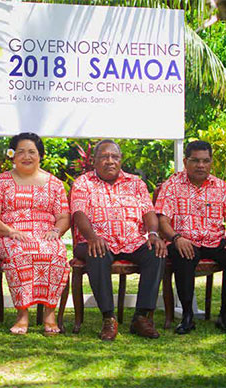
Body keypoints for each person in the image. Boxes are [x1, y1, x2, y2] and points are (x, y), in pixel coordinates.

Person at [70, 140, 166, 341]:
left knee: (156, 252)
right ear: (94, 161)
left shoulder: (136, 183)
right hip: (96, 240)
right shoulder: (83, 183)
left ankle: (141, 317)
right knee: (97, 252)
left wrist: (153, 235)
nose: (110, 161)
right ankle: (108, 318)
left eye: (114, 157)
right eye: (104, 157)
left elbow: (149, 213)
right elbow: (79, 214)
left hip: (132, 241)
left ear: (121, 160)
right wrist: (93, 237)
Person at [0, 132, 70, 335]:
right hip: (6, 235)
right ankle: (22, 315)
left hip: (45, 235)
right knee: (20, 251)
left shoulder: (55, 184)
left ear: (40, 155)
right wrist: (11, 231)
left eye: (32, 152)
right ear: (12, 155)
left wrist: (56, 231)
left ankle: (49, 314)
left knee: (57, 253)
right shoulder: (1, 182)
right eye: (21, 152)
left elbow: (64, 216)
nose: (27, 156)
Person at [156, 141, 226, 335]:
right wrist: (176, 238)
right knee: (184, 254)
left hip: (214, 240)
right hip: (184, 239)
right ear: (185, 162)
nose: (201, 165)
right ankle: (188, 315)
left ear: (211, 162)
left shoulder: (220, 187)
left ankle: (225, 315)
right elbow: (163, 221)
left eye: (205, 161)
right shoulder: (172, 185)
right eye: (195, 161)